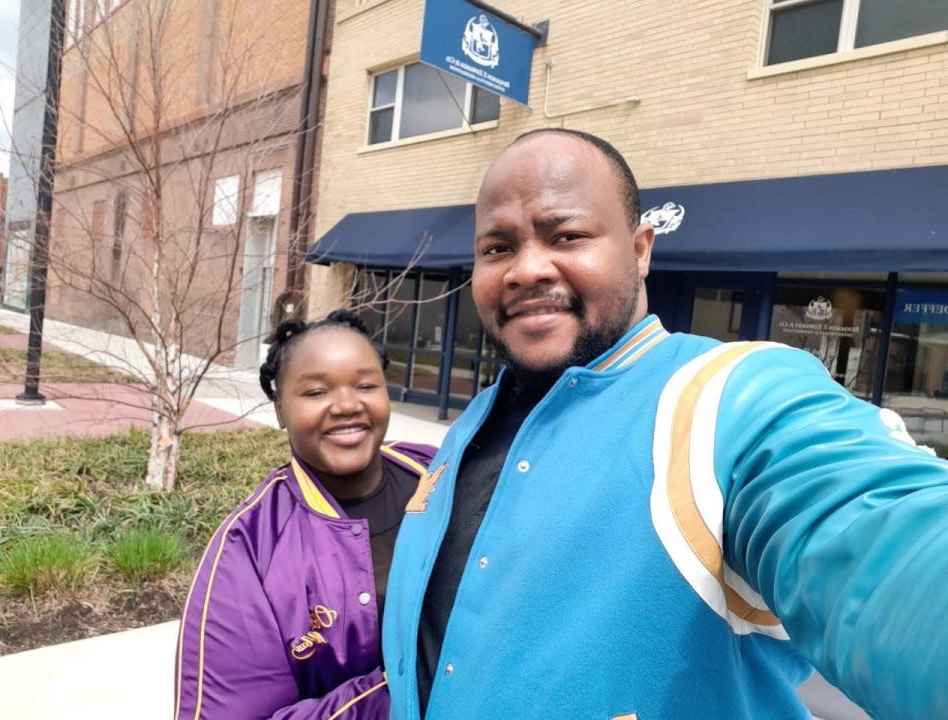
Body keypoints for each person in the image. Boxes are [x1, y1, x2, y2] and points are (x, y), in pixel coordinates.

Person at [383, 129, 948, 720]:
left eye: (567, 236)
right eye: (497, 248)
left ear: (641, 249)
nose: (525, 269)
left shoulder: (725, 398)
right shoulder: (476, 418)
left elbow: (876, 533)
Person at [176, 310, 436, 719]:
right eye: (316, 392)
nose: (348, 405)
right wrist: (407, 681)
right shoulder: (251, 546)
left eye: (366, 385)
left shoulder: (440, 475)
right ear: (280, 409)